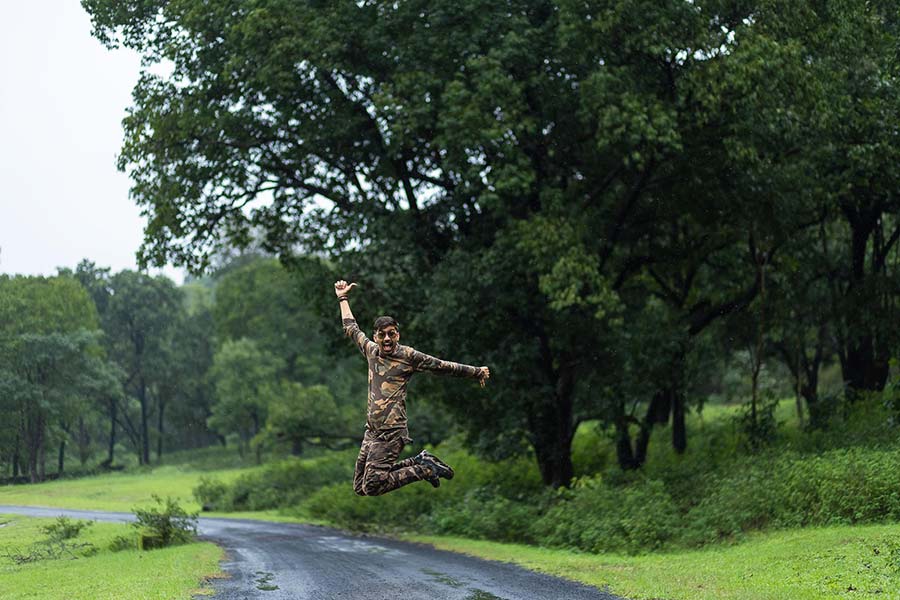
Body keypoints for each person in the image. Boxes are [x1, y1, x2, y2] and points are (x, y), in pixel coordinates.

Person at [334, 280, 490, 496]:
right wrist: (343, 298)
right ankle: (420, 461)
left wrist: (476, 371)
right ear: (376, 336)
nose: (387, 339)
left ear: (397, 334)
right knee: (361, 486)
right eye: (382, 334)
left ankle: (424, 469)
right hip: (372, 431)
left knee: (372, 487)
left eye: (392, 333)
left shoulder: (408, 356)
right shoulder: (371, 351)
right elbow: (350, 327)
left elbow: (442, 366)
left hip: (392, 432)